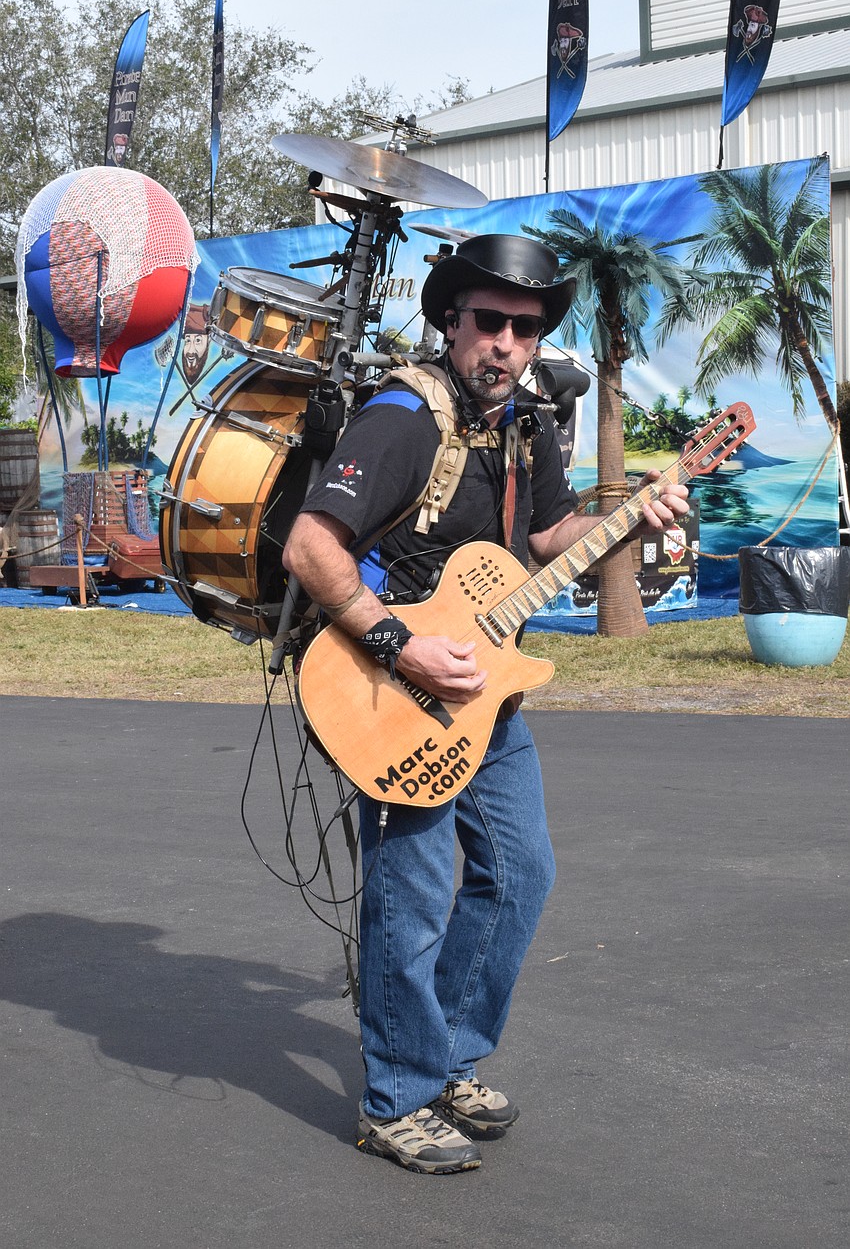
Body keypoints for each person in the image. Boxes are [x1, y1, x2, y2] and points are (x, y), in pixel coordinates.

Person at [283, 234, 689, 1175]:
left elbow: (549, 535)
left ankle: (446, 1056)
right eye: (490, 322)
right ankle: (395, 1099)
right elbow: (312, 546)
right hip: (387, 683)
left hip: (484, 687)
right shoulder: (401, 420)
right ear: (451, 322)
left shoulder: (528, 424)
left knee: (521, 875)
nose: (506, 342)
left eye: (527, 326)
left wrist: (632, 517)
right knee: (413, 893)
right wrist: (401, 644)